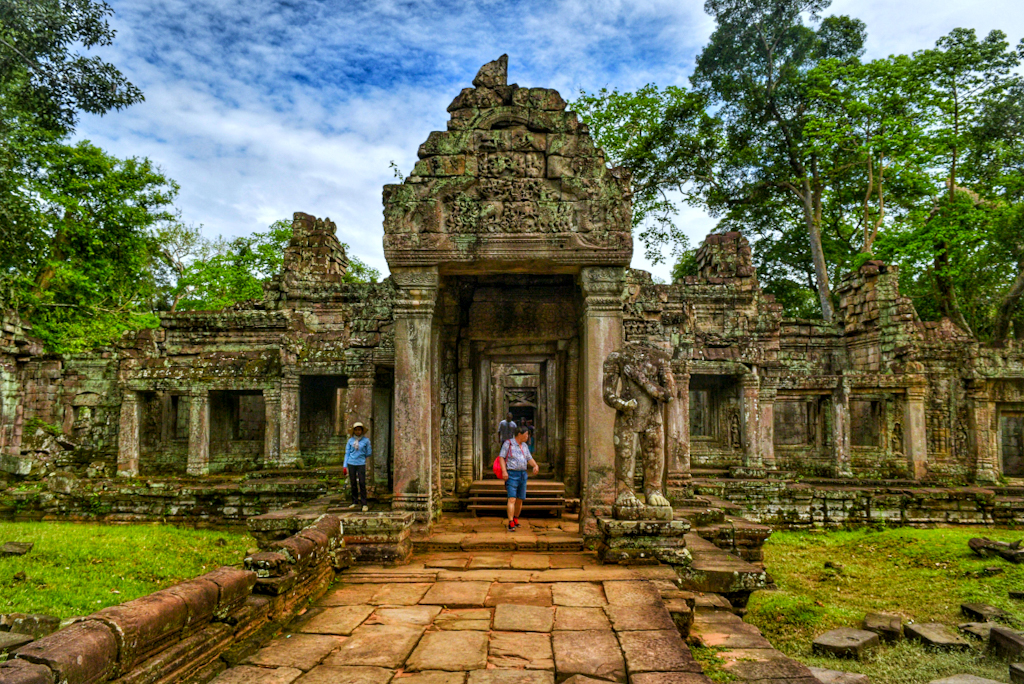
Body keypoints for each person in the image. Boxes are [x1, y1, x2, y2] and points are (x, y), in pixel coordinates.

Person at [498, 425, 539, 532]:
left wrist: (535, 465)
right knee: (512, 498)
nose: (527, 437)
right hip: (511, 474)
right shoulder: (508, 443)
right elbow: (501, 457)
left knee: (520, 499)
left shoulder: (524, 446)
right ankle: (510, 521)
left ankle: (516, 518)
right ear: (519, 434)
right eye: (526, 435)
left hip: (522, 474)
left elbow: (529, 458)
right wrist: (504, 471)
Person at [343, 422, 371, 512]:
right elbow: (347, 453)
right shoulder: (350, 441)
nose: (358, 431)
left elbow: (369, 452)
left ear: (362, 431)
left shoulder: (366, 441)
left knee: (362, 483)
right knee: (353, 483)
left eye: (359, 430)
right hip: (351, 463)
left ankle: (364, 503)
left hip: (361, 463)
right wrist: (345, 466)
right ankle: (354, 501)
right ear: (354, 431)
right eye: (356, 430)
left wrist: (361, 456)